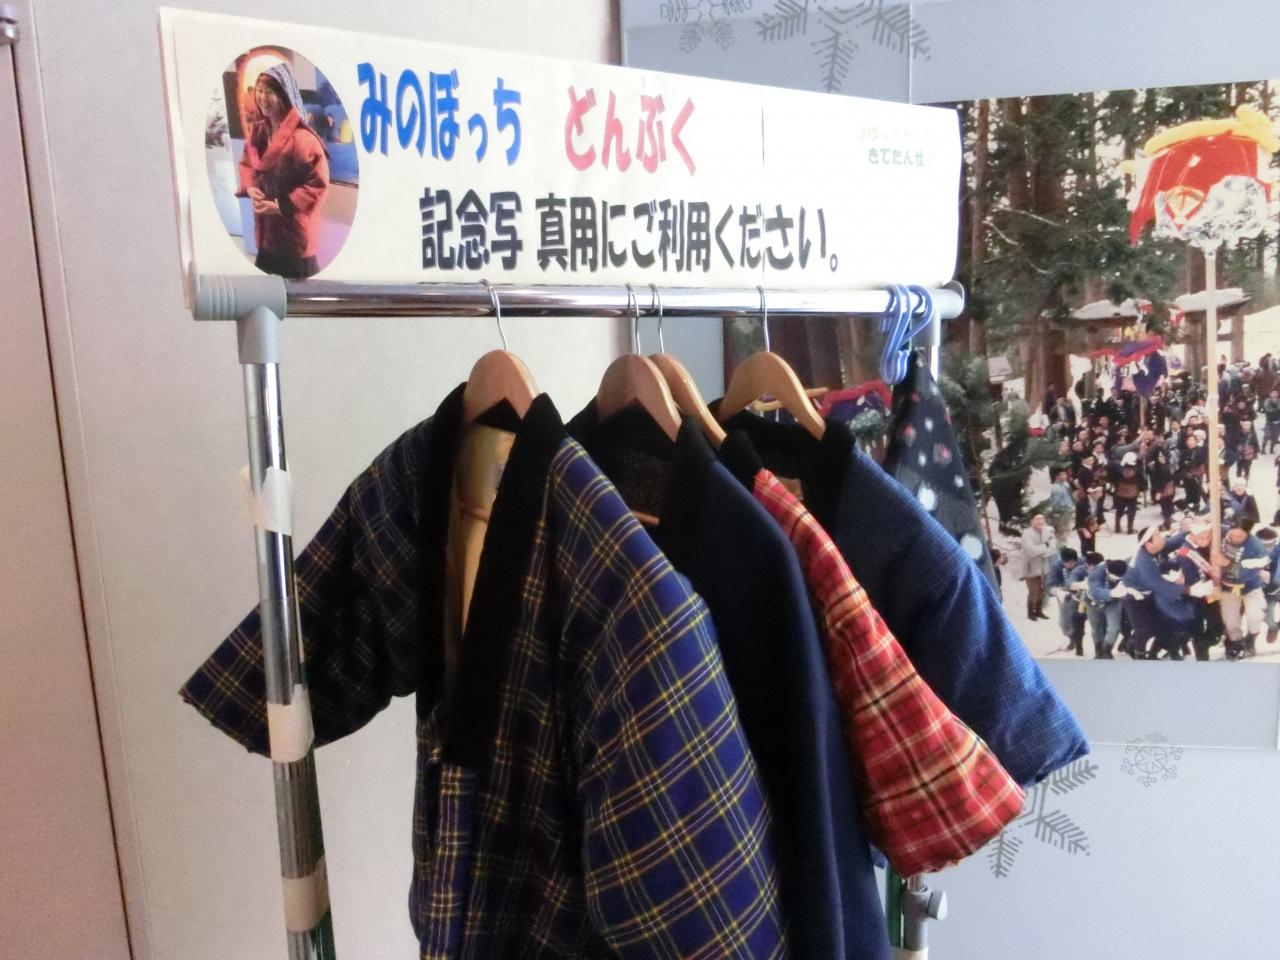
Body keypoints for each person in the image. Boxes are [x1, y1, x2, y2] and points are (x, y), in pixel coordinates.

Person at [237, 62, 331, 279]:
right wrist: (250, 187)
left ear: (284, 95)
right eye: (260, 90)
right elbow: (247, 163)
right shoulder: (259, 131)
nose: (262, 97)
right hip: (266, 234)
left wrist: (280, 205)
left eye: (269, 92)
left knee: (299, 294)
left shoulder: (304, 140)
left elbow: (318, 185)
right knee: (266, 289)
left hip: (295, 236)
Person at [1121, 526, 1196, 660]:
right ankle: (1138, 653)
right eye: (1158, 535)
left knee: (1164, 623)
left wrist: (1192, 529)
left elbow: (1174, 541)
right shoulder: (1143, 561)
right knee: (1144, 630)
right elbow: (1159, 585)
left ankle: (1158, 652)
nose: (1162, 538)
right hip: (1135, 599)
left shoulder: (1156, 548)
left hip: (1151, 593)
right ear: (1148, 543)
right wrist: (1188, 589)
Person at [1215, 521, 1270, 659]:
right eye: (1232, 535)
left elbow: (1251, 572)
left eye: (1240, 536)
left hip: (1250, 585)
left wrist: (1229, 564)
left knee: (1255, 615)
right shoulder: (1219, 533)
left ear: (1247, 534)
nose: (1235, 538)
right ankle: (1235, 644)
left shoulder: (1256, 546)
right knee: (1231, 620)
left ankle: (1250, 640)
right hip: (1227, 586)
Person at [1046, 547, 1087, 655]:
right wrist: (1057, 592)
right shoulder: (1057, 566)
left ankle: (1078, 643)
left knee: (1078, 620)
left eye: (1072, 562)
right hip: (1065, 594)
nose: (1070, 565)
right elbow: (1050, 585)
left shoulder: (1083, 563)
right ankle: (1071, 638)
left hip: (1081, 595)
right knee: (1064, 623)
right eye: (1067, 563)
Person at [1085, 556, 1127, 659]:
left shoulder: (1125, 569)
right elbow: (1095, 591)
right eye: (1114, 578)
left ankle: (1106, 650)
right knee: (1097, 629)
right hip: (1093, 603)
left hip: (1113, 603)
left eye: (1119, 579)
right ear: (1107, 571)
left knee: (1114, 628)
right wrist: (1111, 593)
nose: (1116, 580)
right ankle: (1098, 652)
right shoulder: (1096, 573)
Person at [1020, 514, 1057, 621]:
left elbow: (1053, 549)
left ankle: (1039, 611)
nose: (1040, 521)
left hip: (1044, 566)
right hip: (1030, 567)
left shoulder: (1049, 531)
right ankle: (1030, 612)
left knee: (1043, 590)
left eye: (1042, 519)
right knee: (1034, 591)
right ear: (1032, 521)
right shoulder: (1027, 534)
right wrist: (1045, 546)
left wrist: (1041, 552)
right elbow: (1030, 551)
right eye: (1037, 519)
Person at [1110, 451, 1142, 535]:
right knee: (1131, 512)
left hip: (1120, 494)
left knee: (1119, 511)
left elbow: (1113, 480)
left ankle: (1117, 527)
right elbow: (1141, 482)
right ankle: (1130, 529)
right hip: (1133, 494)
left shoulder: (1118, 470)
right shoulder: (1137, 470)